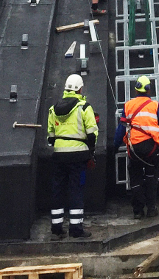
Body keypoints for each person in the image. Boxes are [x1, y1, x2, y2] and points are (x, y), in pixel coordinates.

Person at [113, 75, 159, 219]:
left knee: (135, 178)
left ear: (135, 90)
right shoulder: (155, 106)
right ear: (149, 90)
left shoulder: (127, 106)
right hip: (152, 149)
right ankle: (151, 209)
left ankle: (138, 211)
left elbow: (121, 129)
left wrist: (115, 146)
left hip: (134, 149)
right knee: (151, 178)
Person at [47, 73, 99, 238]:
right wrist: (91, 152)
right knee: (75, 190)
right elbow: (92, 134)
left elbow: (50, 137)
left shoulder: (53, 109)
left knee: (57, 190)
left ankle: (56, 228)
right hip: (78, 156)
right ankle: (75, 229)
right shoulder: (84, 107)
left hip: (59, 156)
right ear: (79, 89)